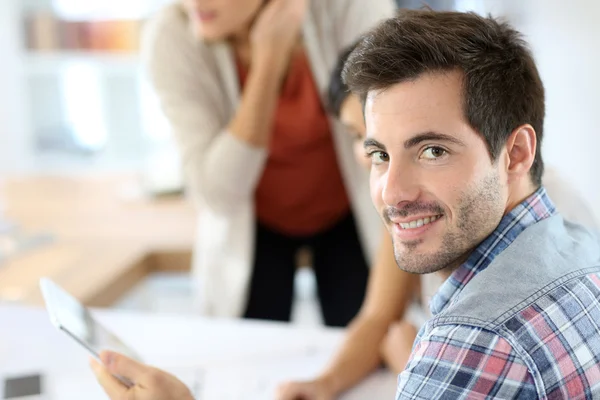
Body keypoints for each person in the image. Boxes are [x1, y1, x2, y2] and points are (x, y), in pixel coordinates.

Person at [278, 38, 600, 399]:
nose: (391, 192)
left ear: (517, 154)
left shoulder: (474, 340)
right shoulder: (584, 248)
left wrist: (420, 360)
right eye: (379, 152)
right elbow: (379, 315)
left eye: (433, 151)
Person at [141, 0, 394, 326]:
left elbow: (387, 140)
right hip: (254, 223)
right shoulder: (171, 35)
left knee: (365, 344)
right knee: (248, 354)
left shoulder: (348, 7)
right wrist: (269, 62)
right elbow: (218, 195)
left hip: (351, 212)